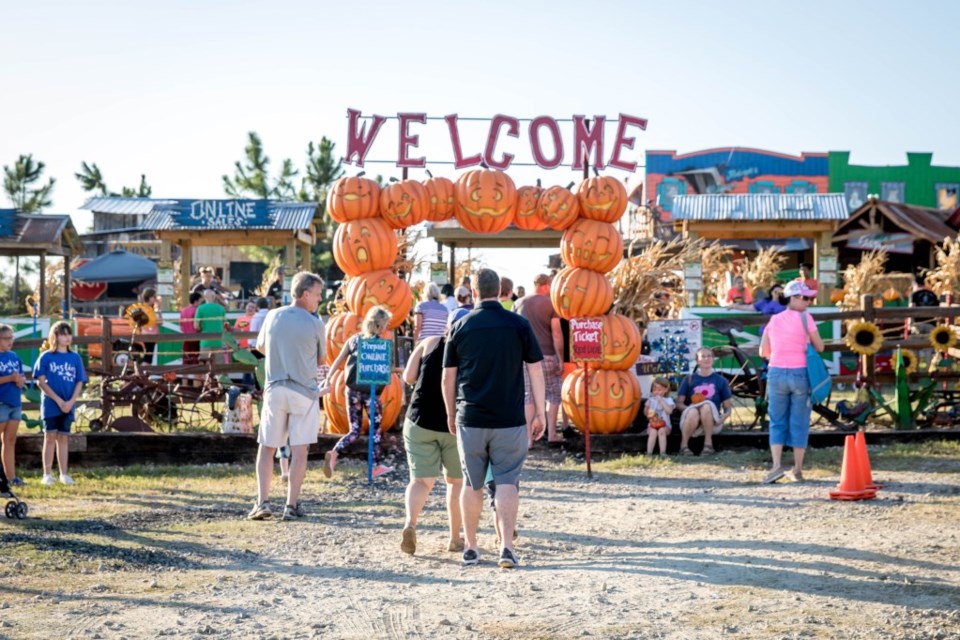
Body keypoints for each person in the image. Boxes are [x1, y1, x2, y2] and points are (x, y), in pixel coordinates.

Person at [443, 268, 545, 569]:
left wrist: (450, 412)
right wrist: (540, 412)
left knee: (472, 485)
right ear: (500, 291)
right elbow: (535, 370)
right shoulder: (518, 324)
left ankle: (472, 547)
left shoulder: (461, 326)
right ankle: (506, 548)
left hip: (470, 416)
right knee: (507, 483)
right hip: (509, 419)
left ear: (473, 292)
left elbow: (448, 377)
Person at [247, 271, 326, 521]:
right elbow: (322, 358)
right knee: (300, 449)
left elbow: (260, 347)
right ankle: (291, 505)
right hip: (303, 390)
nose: (319, 299)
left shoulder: (272, 316)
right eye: (317, 294)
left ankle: (262, 502)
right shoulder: (315, 323)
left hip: (276, 386)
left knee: (267, 446)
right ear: (305, 294)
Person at [399, 329, 463, 555]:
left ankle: (410, 523)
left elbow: (408, 377)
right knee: (456, 482)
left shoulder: (430, 342)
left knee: (420, 481)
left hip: (419, 420)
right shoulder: (468, 348)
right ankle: (455, 538)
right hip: (452, 424)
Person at [759, 280, 824, 483]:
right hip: (800, 374)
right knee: (799, 421)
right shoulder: (807, 318)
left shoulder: (774, 320)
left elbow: (763, 352)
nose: (808, 302)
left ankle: (776, 466)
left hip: (776, 373)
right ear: (793, 297)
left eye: (809, 298)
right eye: (805, 298)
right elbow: (820, 347)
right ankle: (797, 469)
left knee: (777, 421)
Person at [322, 306, 394, 480]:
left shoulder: (354, 340)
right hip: (371, 393)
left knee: (354, 430)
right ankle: (375, 466)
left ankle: (334, 453)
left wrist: (328, 378)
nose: (385, 328)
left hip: (352, 390)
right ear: (380, 325)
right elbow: (387, 369)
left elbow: (338, 361)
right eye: (385, 324)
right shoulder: (381, 345)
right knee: (374, 430)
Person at [33, 321, 87, 485]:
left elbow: (80, 381)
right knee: (49, 437)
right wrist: (58, 400)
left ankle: (64, 474)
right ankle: (47, 474)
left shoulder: (75, 357)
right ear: (55, 336)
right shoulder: (46, 357)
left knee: (63, 438)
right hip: (51, 404)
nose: (67, 337)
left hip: (68, 404)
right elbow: (40, 382)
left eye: (69, 334)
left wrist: (70, 402)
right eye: (63, 334)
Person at [514, 274, 565, 443]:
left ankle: (529, 439)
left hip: (524, 356)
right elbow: (556, 333)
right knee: (553, 394)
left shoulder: (518, 303)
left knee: (528, 395)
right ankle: (551, 434)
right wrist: (560, 358)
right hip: (547, 355)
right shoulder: (551, 304)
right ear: (546, 285)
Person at [676, 348, 733, 456]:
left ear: (713, 359)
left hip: (713, 421)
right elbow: (679, 403)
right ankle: (683, 446)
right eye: (703, 356)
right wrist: (692, 409)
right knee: (694, 411)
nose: (707, 358)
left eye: (709, 356)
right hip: (692, 421)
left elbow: (728, 407)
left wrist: (724, 417)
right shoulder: (689, 379)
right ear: (697, 361)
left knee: (706, 406)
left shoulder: (721, 381)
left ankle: (708, 445)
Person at [0, 324, 25, 487]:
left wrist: (19, 380)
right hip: (1, 402)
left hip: (15, 403)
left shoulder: (15, 356)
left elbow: (21, 377)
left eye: (12, 337)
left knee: (10, 441)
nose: (10, 341)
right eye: (7, 338)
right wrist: (9, 378)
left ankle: (11, 477)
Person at [645, 377, 675, 457]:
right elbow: (647, 415)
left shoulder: (669, 400)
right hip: (652, 425)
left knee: (661, 430)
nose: (656, 392)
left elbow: (669, 411)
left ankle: (663, 452)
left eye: (659, 390)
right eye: (654, 389)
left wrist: (661, 400)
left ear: (665, 390)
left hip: (666, 426)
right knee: (653, 432)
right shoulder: (651, 400)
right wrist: (647, 408)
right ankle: (649, 453)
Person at [195, 289, 227, 364]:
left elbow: (196, 326)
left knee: (205, 365)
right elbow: (225, 325)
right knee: (219, 366)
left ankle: (206, 376)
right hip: (219, 341)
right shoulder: (221, 308)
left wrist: (202, 328)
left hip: (205, 341)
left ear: (204, 297)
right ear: (214, 297)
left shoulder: (200, 308)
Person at [179, 292, 202, 367]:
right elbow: (198, 326)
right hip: (196, 338)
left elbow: (181, 327)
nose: (200, 303)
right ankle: (196, 379)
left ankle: (184, 379)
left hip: (186, 338)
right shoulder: (197, 310)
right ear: (196, 301)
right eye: (200, 301)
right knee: (196, 362)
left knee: (185, 362)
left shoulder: (183, 310)